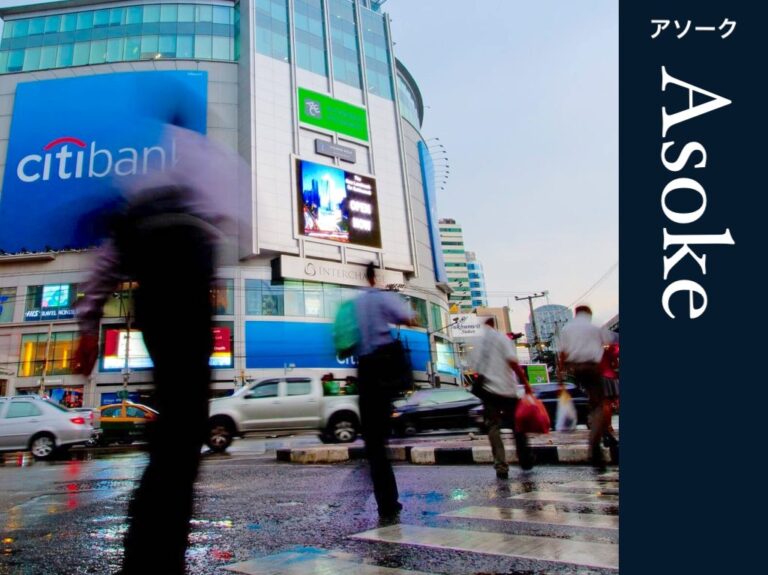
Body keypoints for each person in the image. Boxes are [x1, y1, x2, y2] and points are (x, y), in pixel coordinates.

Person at [74, 122, 243, 575]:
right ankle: (156, 552)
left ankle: (151, 549)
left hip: (161, 309)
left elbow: (107, 262)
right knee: (181, 434)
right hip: (186, 310)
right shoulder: (207, 183)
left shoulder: (146, 191)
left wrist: (88, 326)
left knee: (176, 430)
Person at [354, 262, 416, 520]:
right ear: (374, 277)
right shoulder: (381, 297)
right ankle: (389, 502)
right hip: (382, 368)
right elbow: (408, 317)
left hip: (364, 370)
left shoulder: (356, 304)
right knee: (381, 436)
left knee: (374, 442)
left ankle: (384, 501)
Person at [472, 318, 535, 479]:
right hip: (507, 390)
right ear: (494, 324)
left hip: (488, 392)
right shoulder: (501, 338)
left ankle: (501, 466)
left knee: (493, 428)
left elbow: (475, 371)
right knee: (517, 425)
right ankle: (525, 459)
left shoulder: (477, 343)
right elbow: (513, 363)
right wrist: (526, 383)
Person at [557, 305, 618, 470]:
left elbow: (562, 353)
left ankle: (598, 428)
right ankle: (595, 445)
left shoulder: (567, 329)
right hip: (592, 367)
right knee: (599, 405)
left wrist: (561, 375)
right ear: (588, 314)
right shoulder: (594, 327)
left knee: (591, 402)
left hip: (575, 369)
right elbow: (609, 341)